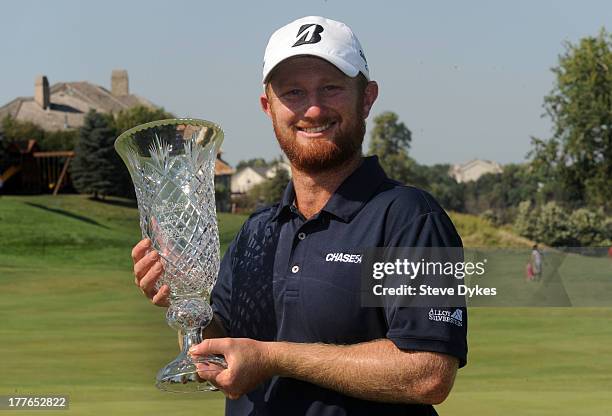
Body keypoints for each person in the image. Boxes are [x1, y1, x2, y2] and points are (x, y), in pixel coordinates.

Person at [132, 16, 467, 416]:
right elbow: (223, 348)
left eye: (331, 88)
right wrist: (183, 303)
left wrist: (274, 358)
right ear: (267, 107)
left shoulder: (411, 218)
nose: (312, 107)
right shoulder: (256, 232)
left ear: (367, 98)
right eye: (292, 92)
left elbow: (428, 373)